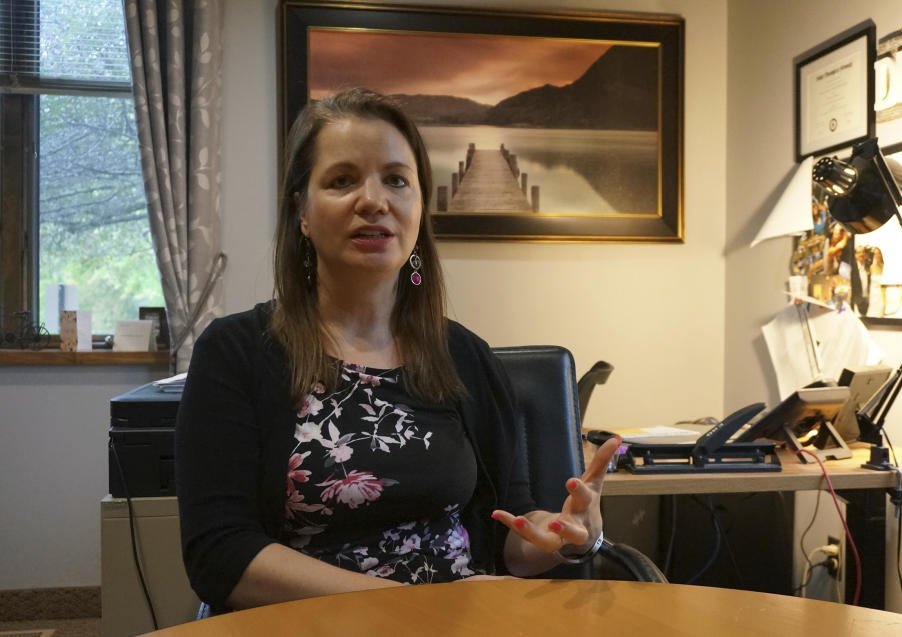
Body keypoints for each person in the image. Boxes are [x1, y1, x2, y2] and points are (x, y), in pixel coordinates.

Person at [175, 88, 621, 612]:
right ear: (301, 211)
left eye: (396, 180)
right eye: (342, 181)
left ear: (418, 208)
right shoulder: (237, 352)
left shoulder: (467, 357)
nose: (374, 200)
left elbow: (510, 540)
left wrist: (567, 535)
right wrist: (415, 606)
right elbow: (220, 555)